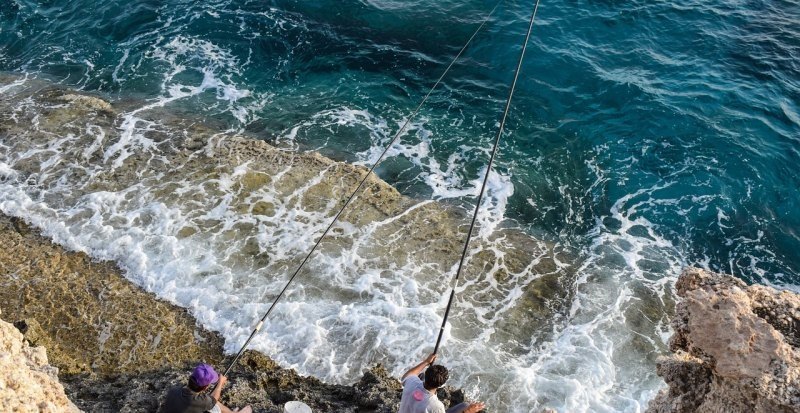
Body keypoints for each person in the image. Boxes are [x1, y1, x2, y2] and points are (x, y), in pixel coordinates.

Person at [399, 353, 486, 413]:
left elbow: (408, 375)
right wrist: (467, 411)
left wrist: (426, 362)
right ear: (440, 385)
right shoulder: (436, 406)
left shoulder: (411, 382)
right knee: (465, 405)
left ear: (427, 375)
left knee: (420, 375)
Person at [160, 363, 252, 413]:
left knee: (212, 403)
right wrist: (220, 383)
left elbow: (210, 400)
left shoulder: (173, 390)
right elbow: (213, 400)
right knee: (248, 409)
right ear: (205, 387)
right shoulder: (200, 401)